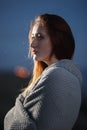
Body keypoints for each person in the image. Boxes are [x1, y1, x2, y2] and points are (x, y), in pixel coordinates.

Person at [4, 13, 82, 130]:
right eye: (33, 37)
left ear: (57, 39)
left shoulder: (57, 76)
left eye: (40, 37)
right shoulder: (65, 75)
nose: (32, 44)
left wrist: (16, 108)